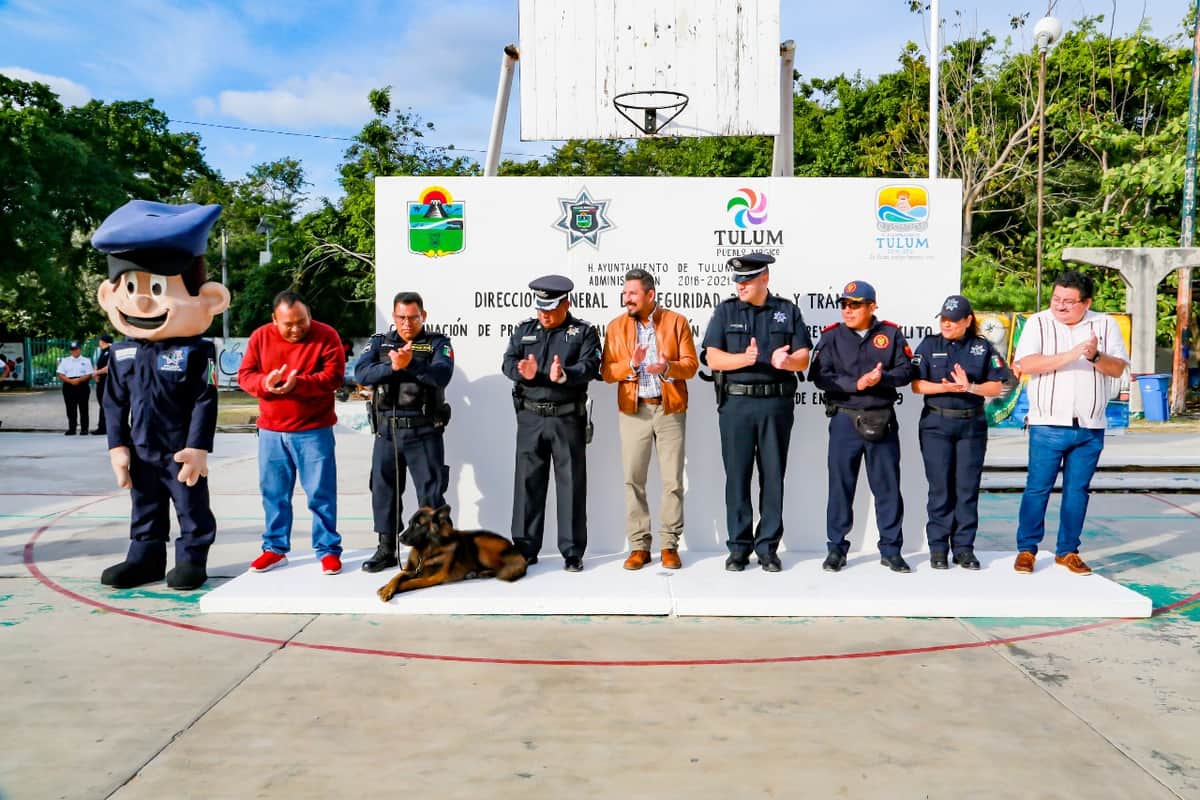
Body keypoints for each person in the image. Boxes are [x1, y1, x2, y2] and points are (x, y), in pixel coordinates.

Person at [93, 199, 230, 590]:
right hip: (140, 447)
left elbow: (206, 398)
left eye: (155, 287)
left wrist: (198, 447)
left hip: (178, 448)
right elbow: (113, 401)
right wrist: (117, 446)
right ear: (109, 293)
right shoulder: (121, 352)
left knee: (190, 507)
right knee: (145, 506)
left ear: (209, 298)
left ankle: (191, 559)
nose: (140, 300)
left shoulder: (197, 351)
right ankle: (145, 557)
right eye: (130, 287)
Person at [1012, 271, 1129, 576]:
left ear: (1086, 302)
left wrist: (1093, 355)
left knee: (1078, 491)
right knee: (1037, 488)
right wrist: (1071, 354)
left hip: (1090, 427)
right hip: (1047, 424)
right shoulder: (1038, 322)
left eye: (1069, 301)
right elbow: (1026, 364)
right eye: (1056, 299)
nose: (1060, 306)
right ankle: (1027, 549)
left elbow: (1117, 369)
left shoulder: (1105, 324)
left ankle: (1068, 551)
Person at [701, 253, 811, 572]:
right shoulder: (726, 310)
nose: (740, 286)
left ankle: (767, 548)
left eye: (746, 281)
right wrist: (745, 359)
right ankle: (739, 547)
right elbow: (713, 357)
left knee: (773, 476)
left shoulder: (786, 311)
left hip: (776, 404)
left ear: (765, 278)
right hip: (736, 404)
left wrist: (787, 363)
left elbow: (803, 355)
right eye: (737, 281)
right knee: (737, 476)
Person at [809, 280, 916, 573]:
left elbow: (907, 371)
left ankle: (892, 550)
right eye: (844, 304)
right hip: (845, 419)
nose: (848, 310)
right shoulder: (831, 337)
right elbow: (820, 376)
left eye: (855, 304)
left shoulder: (890, 334)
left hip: (881, 418)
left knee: (888, 488)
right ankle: (836, 549)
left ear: (872, 306)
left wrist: (882, 379)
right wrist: (855, 384)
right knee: (841, 487)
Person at [238, 291, 346, 575]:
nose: (297, 329)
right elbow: (245, 375)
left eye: (302, 321)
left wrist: (298, 383)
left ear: (309, 315)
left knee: (320, 494)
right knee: (273, 494)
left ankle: (327, 550)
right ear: (275, 320)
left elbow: (333, 377)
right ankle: (274, 548)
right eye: (289, 324)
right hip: (272, 432)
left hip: (314, 430)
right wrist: (266, 382)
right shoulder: (260, 337)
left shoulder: (326, 335)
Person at [601, 268, 698, 570]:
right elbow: (606, 371)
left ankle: (669, 544)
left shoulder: (676, 322)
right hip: (633, 410)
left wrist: (666, 367)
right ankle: (639, 546)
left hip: (669, 408)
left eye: (632, 293)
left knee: (672, 481)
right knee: (633, 479)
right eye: (625, 293)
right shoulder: (615, 327)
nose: (626, 298)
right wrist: (631, 365)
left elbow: (691, 365)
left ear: (650, 295)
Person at [502, 275, 601, 571]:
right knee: (527, 483)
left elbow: (592, 366)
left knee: (570, 483)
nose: (544, 314)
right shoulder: (524, 331)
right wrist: (523, 373)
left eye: (550, 308)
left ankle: (572, 552)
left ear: (565, 304)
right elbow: (507, 362)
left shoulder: (583, 332)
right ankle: (525, 548)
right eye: (540, 309)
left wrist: (566, 374)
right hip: (531, 416)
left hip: (566, 417)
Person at [354, 291, 454, 573]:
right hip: (387, 432)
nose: (406, 323)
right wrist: (391, 366)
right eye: (401, 317)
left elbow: (441, 375)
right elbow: (361, 374)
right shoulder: (379, 342)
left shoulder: (437, 343)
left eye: (413, 317)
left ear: (424, 315)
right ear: (394, 316)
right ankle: (386, 549)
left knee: (431, 494)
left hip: (423, 431)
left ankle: (433, 552)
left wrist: (411, 364)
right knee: (383, 491)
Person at [911, 295, 1011, 570]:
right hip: (936, 425)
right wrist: (945, 388)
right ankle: (939, 549)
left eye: (953, 320)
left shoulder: (982, 347)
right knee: (940, 489)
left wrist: (969, 387)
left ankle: (964, 548)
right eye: (943, 319)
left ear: (968, 321)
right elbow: (917, 385)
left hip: (971, 426)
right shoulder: (930, 345)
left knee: (966, 489)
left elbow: (996, 387)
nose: (947, 324)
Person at [56, 342, 93, 435]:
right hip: (69, 385)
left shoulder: (86, 360)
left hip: (82, 385)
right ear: (70, 351)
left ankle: (84, 429)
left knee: (83, 408)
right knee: (70, 408)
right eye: (72, 350)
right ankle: (72, 428)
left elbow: (89, 374)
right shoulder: (65, 361)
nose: (74, 351)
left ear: (80, 349)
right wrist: (70, 381)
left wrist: (79, 380)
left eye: (76, 349)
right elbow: (60, 374)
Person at [90, 334, 113, 435]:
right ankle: (102, 427)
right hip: (101, 382)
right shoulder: (102, 352)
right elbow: (97, 364)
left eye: (99, 340)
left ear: (103, 341)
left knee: (106, 405)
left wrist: (96, 373)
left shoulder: (111, 351)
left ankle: (104, 427)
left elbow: (109, 367)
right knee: (102, 405)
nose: (99, 342)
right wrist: (96, 373)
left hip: (107, 382)